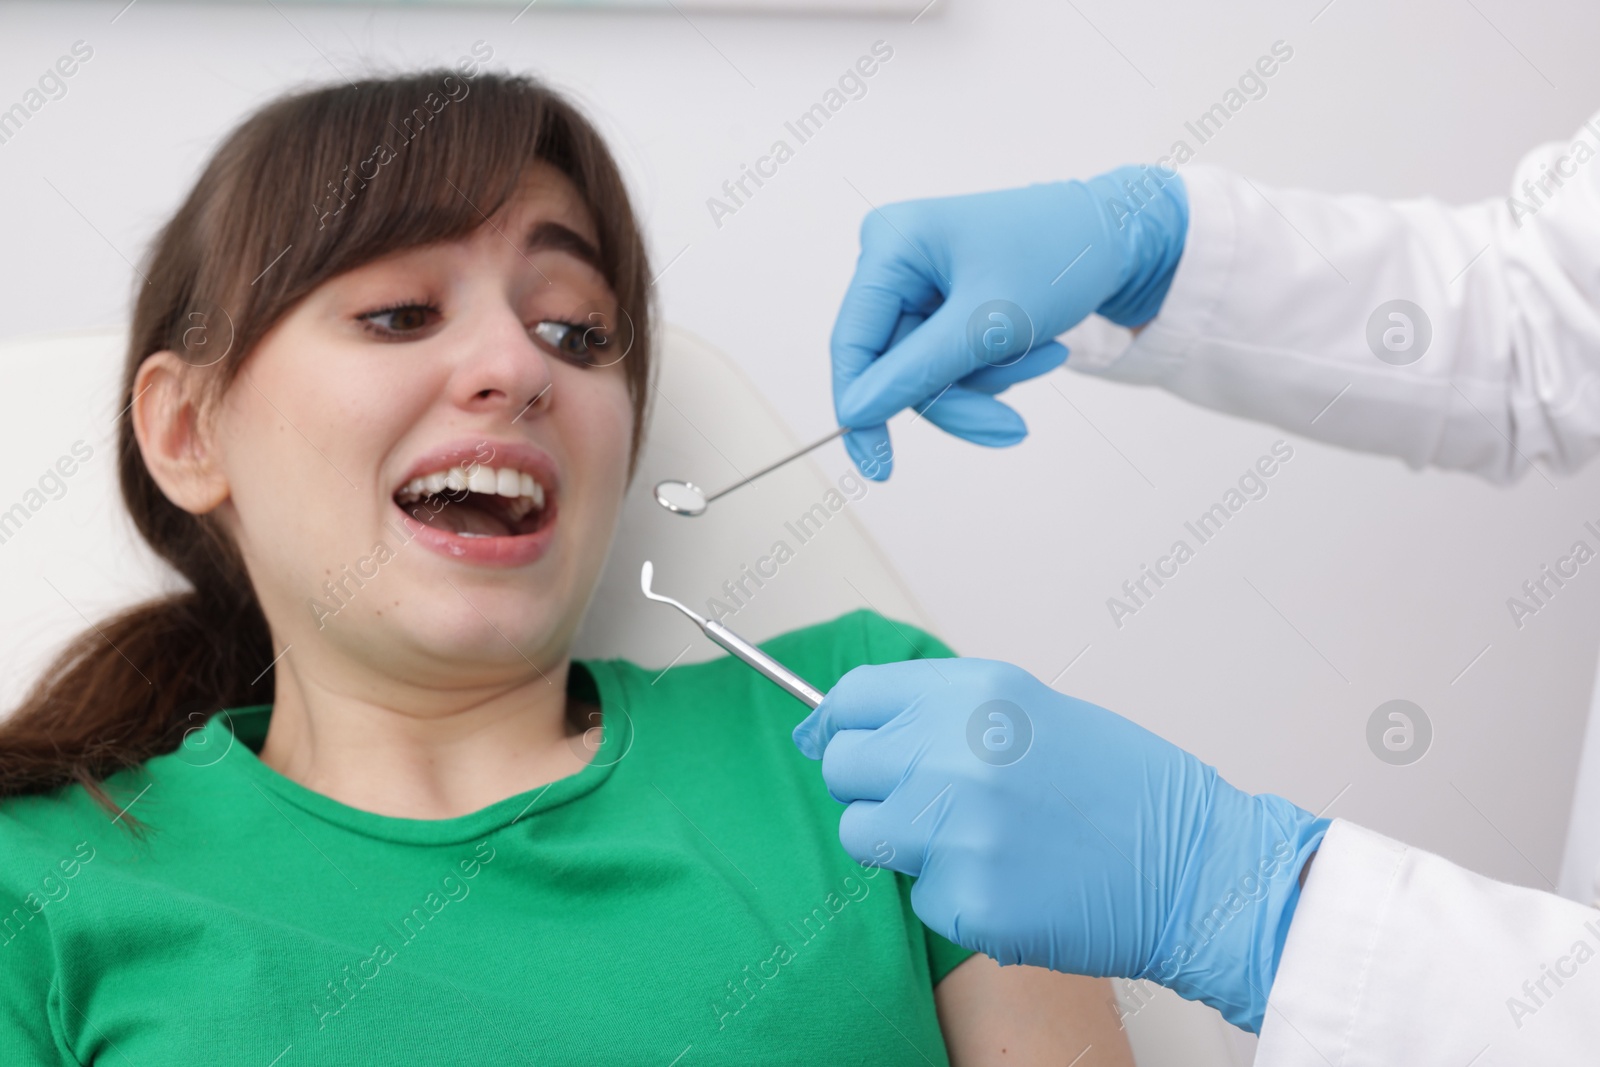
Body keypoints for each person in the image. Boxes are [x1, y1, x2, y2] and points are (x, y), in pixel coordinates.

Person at [0, 71, 1134, 1066]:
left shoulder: (865, 725)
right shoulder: (37, 885)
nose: (513, 364)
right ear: (188, 430)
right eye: (400, 312)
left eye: (576, 332)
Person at [796, 110, 1600, 1064]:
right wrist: (1157, 253)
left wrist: (1243, 901)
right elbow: (1550, 314)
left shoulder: (864, 664)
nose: (559, 376)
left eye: (583, 330)